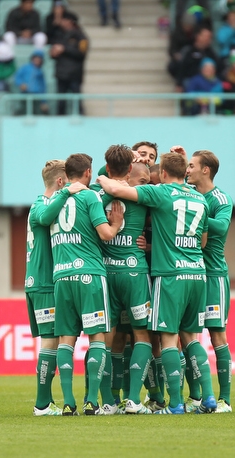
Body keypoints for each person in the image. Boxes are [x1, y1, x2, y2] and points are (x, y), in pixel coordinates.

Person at [96, 148, 217, 415]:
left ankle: (174, 404)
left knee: (168, 338)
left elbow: (118, 191)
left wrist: (102, 179)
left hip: (171, 275)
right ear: (185, 172)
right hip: (198, 273)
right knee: (192, 338)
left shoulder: (160, 192)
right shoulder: (200, 198)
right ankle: (208, 397)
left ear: (161, 173)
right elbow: (204, 241)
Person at [42, 153, 123, 416]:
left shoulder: (55, 199)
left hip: (61, 277)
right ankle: (91, 400)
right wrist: (117, 223)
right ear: (88, 172)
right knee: (97, 337)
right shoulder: (90, 197)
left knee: (66, 340)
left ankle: (68, 402)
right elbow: (105, 234)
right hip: (89, 274)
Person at [82, 146, 152, 415]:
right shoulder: (143, 194)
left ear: (107, 168)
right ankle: (134, 400)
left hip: (106, 273)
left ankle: (108, 402)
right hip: (135, 272)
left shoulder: (95, 194)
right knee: (141, 334)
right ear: (132, 171)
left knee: (105, 339)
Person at [24, 159, 86, 416]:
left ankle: (46, 401)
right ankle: (41, 404)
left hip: (42, 282)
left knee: (51, 342)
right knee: (50, 343)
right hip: (45, 283)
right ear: (61, 182)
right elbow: (45, 216)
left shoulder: (46, 202)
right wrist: (66, 193)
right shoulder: (42, 203)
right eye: (68, 181)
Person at [184, 149, 233, 414]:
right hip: (190, 275)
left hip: (213, 275)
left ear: (206, 170)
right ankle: (196, 397)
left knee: (217, 335)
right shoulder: (187, 194)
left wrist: (196, 214)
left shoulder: (220, 198)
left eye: (191, 166)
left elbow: (222, 228)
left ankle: (224, 399)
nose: (187, 170)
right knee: (189, 337)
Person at [50, 14, 88, 115]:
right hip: (61, 73)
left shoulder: (81, 36)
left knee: (76, 99)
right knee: (61, 101)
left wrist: (64, 49)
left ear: (70, 21)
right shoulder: (59, 34)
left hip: (74, 73)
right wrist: (53, 52)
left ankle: (80, 118)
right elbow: (53, 50)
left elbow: (81, 53)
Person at [14, 50, 49, 115]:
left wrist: (43, 101)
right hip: (25, 93)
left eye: (39, 59)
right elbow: (17, 77)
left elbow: (43, 87)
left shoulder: (40, 71)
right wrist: (21, 84)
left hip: (36, 95)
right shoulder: (25, 67)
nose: (37, 60)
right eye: (36, 58)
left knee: (35, 111)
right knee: (24, 109)